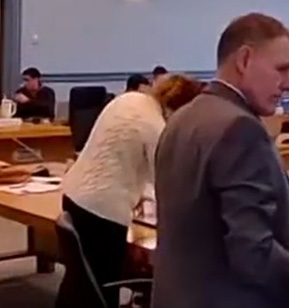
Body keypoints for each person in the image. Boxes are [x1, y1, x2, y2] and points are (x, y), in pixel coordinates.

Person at [153, 13, 289, 308]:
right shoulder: (241, 130)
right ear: (244, 60)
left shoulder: (182, 117)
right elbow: (252, 250)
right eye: (282, 69)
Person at [58, 74, 203, 308]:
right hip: (103, 211)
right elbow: (166, 185)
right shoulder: (156, 127)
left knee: (81, 280)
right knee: (104, 284)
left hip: (74, 196)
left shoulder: (127, 100)